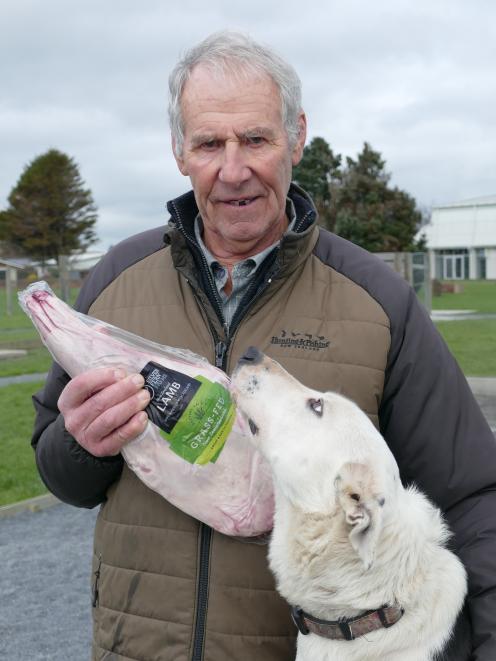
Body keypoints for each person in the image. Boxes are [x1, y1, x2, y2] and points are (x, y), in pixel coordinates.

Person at [31, 31, 496, 661]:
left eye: (255, 139)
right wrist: (82, 445)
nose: (233, 169)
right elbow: (61, 473)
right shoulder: (116, 279)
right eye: (208, 143)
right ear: (178, 150)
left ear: (296, 137)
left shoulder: (376, 300)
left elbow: (473, 498)